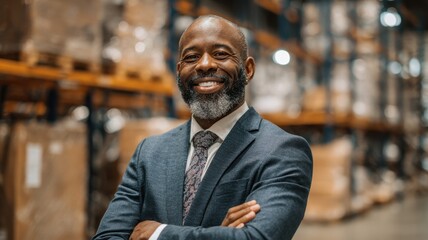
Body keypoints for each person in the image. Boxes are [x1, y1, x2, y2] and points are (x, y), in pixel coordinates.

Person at [93, 15, 312, 240]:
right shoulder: (149, 154)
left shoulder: (282, 151)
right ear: (179, 71)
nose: (205, 64)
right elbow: (107, 237)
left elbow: (257, 238)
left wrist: (159, 233)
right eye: (192, 57)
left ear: (247, 69)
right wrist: (218, 233)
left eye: (220, 54)